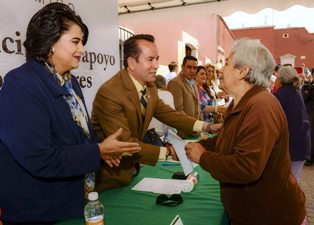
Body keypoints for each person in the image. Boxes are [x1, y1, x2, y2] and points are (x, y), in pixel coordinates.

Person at [0, 3, 140, 224]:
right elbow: (39, 158)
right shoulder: (20, 84)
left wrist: (102, 150)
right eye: (75, 41)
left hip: (74, 204)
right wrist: (97, 151)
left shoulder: (70, 82)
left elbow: (79, 138)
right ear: (50, 43)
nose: (82, 50)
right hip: (39, 213)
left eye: (82, 42)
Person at [185, 39, 306, 225]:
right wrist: (200, 146)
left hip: (270, 217)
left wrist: (203, 158)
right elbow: (226, 139)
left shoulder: (260, 106)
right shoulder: (243, 102)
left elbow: (246, 167)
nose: (220, 70)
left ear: (243, 71)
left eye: (226, 63)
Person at [91, 34, 217, 191]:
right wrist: (169, 152)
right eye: (150, 60)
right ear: (131, 62)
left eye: (157, 59)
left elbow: (169, 115)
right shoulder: (110, 92)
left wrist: (207, 127)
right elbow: (125, 143)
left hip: (134, 172)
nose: (156, 65)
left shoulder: (149, 87)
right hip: (111, 179)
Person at [274, 66, 311, 180]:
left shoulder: (280, 95)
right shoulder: (295, 91)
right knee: (294, 181)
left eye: (277, 77)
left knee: (287, 183)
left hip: (291, 146)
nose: (275, 80)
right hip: (301, 143)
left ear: (281, 80)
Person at [167, 55, 201, 138]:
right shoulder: (175, 83)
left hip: (193, 131)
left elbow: (197, 107)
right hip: (182, 134)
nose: (192, 70)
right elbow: (178, 110)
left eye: (195, 68)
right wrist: (195, 126)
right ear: (182, 67)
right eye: (189, 67)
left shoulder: (193, 83)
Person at [144, 75, 175, 146]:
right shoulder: (167, 94)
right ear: (164, 85)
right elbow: (171, 118)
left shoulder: (147, 94)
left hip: (143, 136)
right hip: (154, 137)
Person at [302, 67, 314, 166]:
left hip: (311, 114)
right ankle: (310, 158)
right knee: (311, 136)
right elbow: (304, 98)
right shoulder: (308, 86)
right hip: (310, 114)